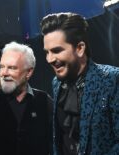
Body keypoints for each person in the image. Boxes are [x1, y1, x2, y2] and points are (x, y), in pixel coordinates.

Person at [40, 12, 119, 155]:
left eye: (57, 50)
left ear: (80, 48)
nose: (50, 59)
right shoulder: (56, 83)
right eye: (47, 52)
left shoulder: (112, 78)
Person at [0, 41, 52, 155]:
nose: (4, 73)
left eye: (12, 68)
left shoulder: (45, 101)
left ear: (29, 72)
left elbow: (55, 143)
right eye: (2, 67)